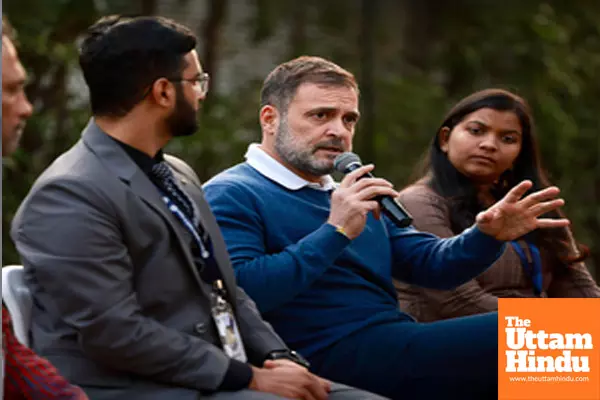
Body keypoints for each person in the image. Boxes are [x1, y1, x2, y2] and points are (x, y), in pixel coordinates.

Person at [10, 17, 383, 400]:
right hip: (137, 388)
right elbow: (113, 333)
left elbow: (228, 289)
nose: (203, 93)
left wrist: (278, 356)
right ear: (163, 92)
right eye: (197, 82)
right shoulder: (70, 193)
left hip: (221, 374)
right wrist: (247, 378)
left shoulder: (176, 172)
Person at [202, 56, 570, 400]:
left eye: (349, 119)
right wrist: (335, 231)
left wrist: (485, 236)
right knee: (563, 339)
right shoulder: (233, 193)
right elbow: (244, 293)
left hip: (393, 340)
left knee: (568, 359)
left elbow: (431, 265)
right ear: (270, 119)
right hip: (324, 355)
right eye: (320, 115)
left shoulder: (347, 190)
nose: (338, 131)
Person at [393, 88, 600, 322]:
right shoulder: (418, 202)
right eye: (476, 131)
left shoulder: (528, 204)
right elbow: (457, 302)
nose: (489, 144)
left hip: (536, 336)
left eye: (507, 139)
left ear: (519, 154)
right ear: (445, 139)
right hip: (462, 341)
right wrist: (561, 326)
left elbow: (577, 285)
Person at [2, 15, 88, 400]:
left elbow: (9, 350)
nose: (26, 108)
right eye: (10, 90)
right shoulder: (69, 192)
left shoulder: (176, 176)